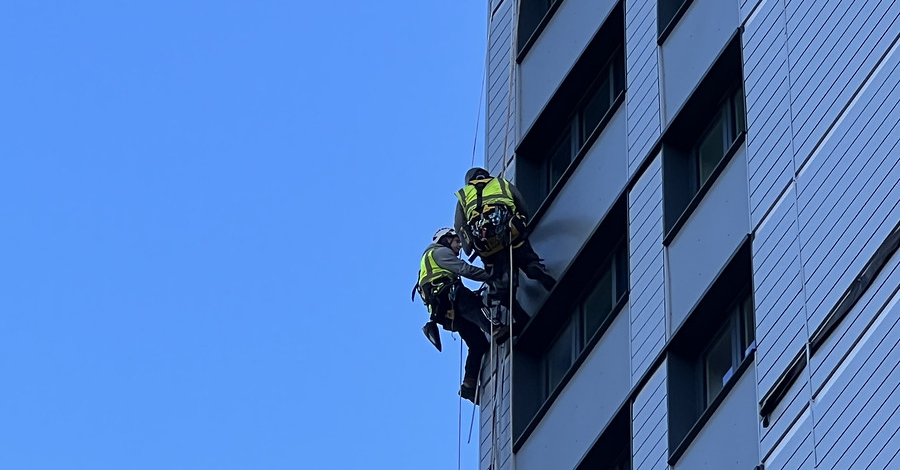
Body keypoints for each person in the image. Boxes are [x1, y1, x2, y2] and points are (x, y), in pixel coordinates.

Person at [415, 227, 502, 404]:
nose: (459, 247)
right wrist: (491, 275)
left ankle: (469, 385)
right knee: (474, 304)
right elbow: (465, 269)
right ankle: (496, 329)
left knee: (478, 344)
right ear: (446, 240)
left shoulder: (428, 261)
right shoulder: (439, 253)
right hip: (449, 297)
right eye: (456, 242)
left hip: (445, 311)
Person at [454, 167, 557, 299]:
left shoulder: (464, 194)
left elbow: (459, 225)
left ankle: (507, 296)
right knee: (524, 255)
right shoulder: (501, 183)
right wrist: (523, 224)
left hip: (487, 246)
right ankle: (533, 267)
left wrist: (468, 247)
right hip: (510, 232)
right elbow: (520, 203)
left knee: (498, 275)